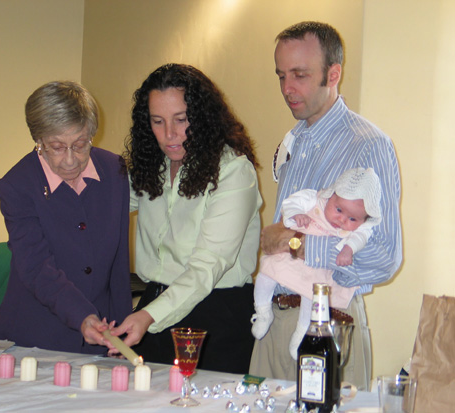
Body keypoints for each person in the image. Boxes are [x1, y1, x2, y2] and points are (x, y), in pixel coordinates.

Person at [249, 21, 402, 391]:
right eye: (281, 75)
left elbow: (385, 256)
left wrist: (298, 244)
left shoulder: (369, 146)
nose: (287, 88)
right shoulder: (294, 141)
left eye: (300, 75)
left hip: (328, 321)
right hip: (271, 322)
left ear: (333, 74)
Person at [113, 63, 262, 374]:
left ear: (203, 118)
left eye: (181, 120)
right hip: (155, 304)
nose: (169, 134)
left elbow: (207, 267)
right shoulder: (152, 167)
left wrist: (148, 316)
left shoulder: (233, 171)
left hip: (215, 315)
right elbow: (103, 208)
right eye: (157, 121)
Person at [0, 81, 132, 355]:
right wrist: (82, 316)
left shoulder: (114, 171)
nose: (70, 160)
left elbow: (119, 262)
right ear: (39, 141)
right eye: (56, 147)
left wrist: (122, 330)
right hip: (36, 337)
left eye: (80, 145)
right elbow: (36, 267)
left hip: (103, 337)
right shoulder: (17, 184)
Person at [251, 167, 382, 360]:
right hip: (291, 257)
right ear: (330, 196)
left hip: (316, 270)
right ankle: (262, 311)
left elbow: (361, 237)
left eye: (352, 219)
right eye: (339, 210)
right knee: (266, 273)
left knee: (312, 298)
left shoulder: (358, 230)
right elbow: (291, 202)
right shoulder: (315, 199)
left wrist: (348, 249)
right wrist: (296, 214)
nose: (342, 220)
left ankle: (302, 333)